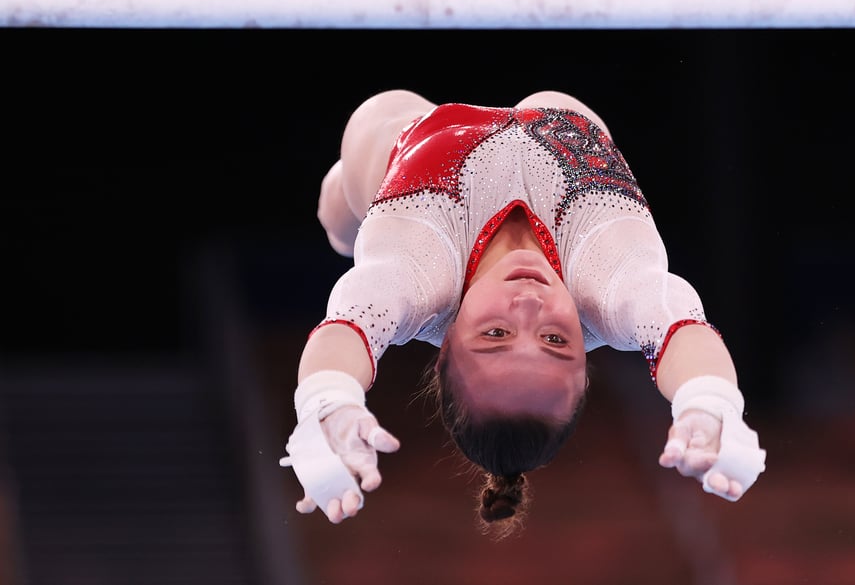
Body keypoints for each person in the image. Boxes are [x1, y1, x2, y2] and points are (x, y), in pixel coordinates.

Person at [280, 89, 766, 539]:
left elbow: (347, 328)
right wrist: (707, 400)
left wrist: (329, 399)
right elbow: (683, 330)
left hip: (406, 135)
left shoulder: (417, 274)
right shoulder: (613, 283)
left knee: (339, 215)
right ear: (587, 351)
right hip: (555, 118)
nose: (530, 305)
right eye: (557, 340)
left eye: (496, 333)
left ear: (443, 345)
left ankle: (342, 210)